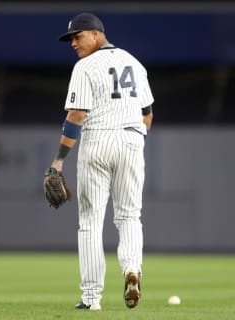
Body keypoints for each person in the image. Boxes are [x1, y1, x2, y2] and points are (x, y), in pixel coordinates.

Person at [47, 12, 154, 311]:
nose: (73, 43)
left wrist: (59, 161)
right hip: (133, 140)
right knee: (130, 217)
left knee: (90, 223)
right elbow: (148, 114)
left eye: (78, 36)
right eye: (71, 39)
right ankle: (132, 269)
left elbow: (77, 115)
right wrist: (133, 143)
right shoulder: (135, 63)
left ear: (96, 34)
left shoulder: (85, 66)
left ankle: (92, 298)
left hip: (98, 140)